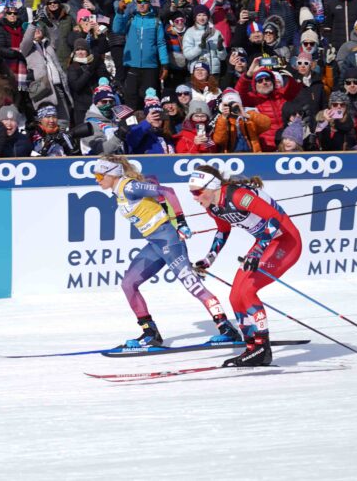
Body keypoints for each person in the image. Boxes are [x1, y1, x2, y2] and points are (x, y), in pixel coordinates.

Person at [92, 155, 241, 349]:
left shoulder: (129, 187)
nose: (97, 179)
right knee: (128, 283)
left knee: (193, 286)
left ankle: (226, 328)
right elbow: (156, 188)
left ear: (112, 174)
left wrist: (180, 222)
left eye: (99, 175)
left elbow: (167, 191)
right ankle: (150, 332)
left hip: (169, 241)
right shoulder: (119, 190)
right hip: (154, 243)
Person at [188, 166, 302, 367]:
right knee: (235, 296)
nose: (195, 197)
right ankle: (251, 346)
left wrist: (258, 252)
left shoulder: (239, 196)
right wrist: (209, 259)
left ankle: (262, 348)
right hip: (265, 244)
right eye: (192, 192)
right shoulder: (212, 207)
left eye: (197, 192)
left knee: (248, 291)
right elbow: (223, 231)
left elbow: (274, 219)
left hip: (286, 242)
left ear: (212, 186)